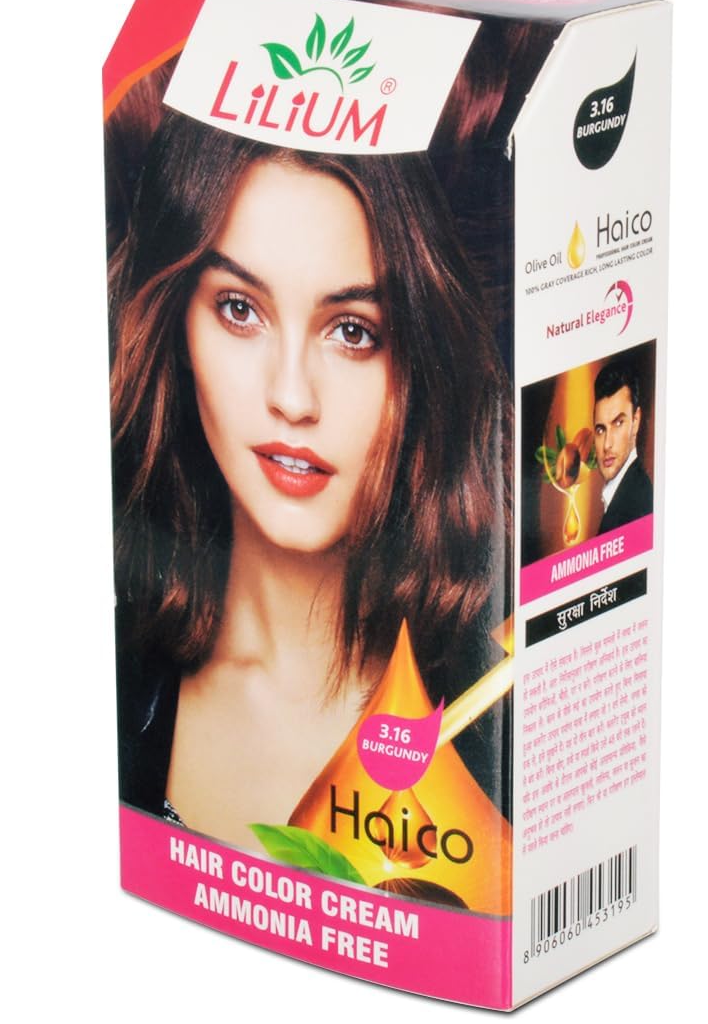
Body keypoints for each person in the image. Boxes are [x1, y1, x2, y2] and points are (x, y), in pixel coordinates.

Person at [109, 111, 511, 851]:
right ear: (180, 331)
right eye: (239, 310)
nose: (292, 398)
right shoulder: (116, 681)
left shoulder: (499, 715)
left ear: (420, 361)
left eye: (353, 331)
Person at [593, 358, 653, 536]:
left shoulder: (638, 503)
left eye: (618, 423)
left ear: (636, 421)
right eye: (601, 429)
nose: (607, 444)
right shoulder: (624, 492)